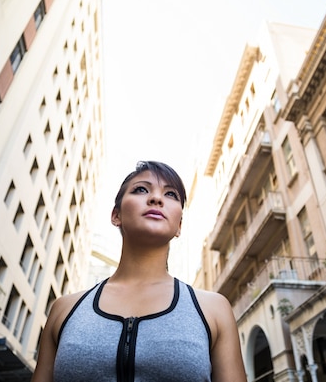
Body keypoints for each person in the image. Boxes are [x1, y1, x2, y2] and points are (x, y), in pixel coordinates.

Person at [31, 161, 247, 382]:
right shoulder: (64, 310)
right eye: (141, 189)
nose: (156, 198)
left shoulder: (214, 310)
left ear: (179, 226)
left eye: (171, 194)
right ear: (116, 215)